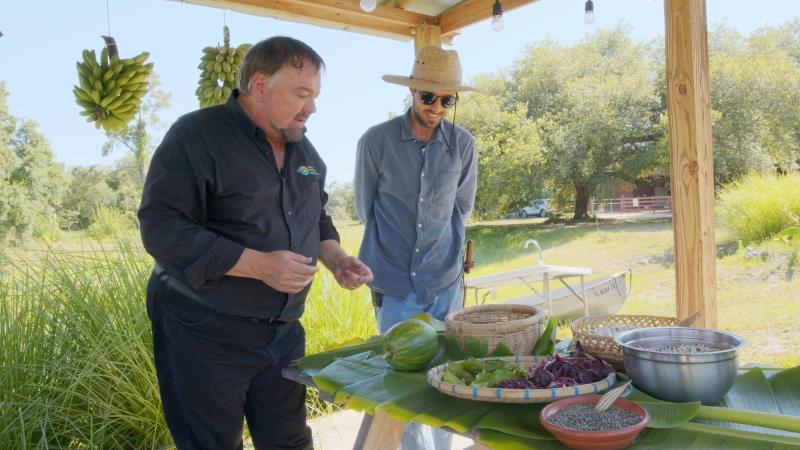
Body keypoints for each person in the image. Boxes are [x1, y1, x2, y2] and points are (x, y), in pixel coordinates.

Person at [138, 36, 373, 450]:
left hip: (281, 334)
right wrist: (258, 264)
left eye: (315, 95)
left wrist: (336, 259)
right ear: (260, 87)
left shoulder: (306, 152)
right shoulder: (196, 136)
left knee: (290, 442)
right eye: (301, 94)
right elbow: (161, 227)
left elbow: (316, 216)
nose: (312, 108)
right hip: (202, 328)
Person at [353, 46, 481, 450]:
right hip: (392, 281)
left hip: (445, 280)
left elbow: (462, 207)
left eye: (448, 99)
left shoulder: (463, 145)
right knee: (403, 380)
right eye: (429, 97)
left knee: (447, 374)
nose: (437, 106)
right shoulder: (375, 141)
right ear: (412, 93)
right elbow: (364, 207)